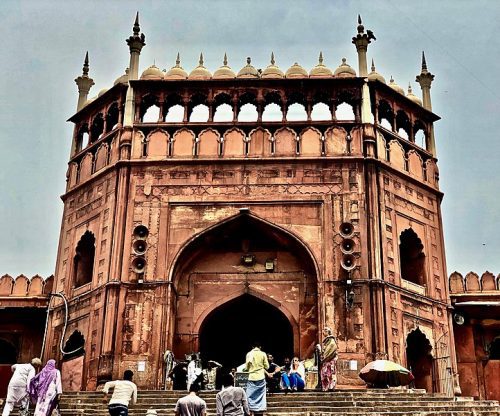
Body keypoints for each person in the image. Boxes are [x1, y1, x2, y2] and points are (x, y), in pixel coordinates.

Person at [243, 341, 269, 415]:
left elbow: (247, 367)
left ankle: (250, 412)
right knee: (261, 397)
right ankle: (259, 413)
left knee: (250, 396)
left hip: (251, 377)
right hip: (261, 377)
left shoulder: (249, 354)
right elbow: (267, 366)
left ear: (252, 347)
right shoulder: (263, 354)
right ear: (260, 347)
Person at [319, 327, 338, 391]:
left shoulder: (331, 340)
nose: (323, 332)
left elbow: (331, 349)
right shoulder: (327, 341)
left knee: (330, 373)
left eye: (325, 330)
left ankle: (330, 386)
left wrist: (324, 357)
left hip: (330, 360)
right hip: (327, 360)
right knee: (325, 373)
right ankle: (326, 387)